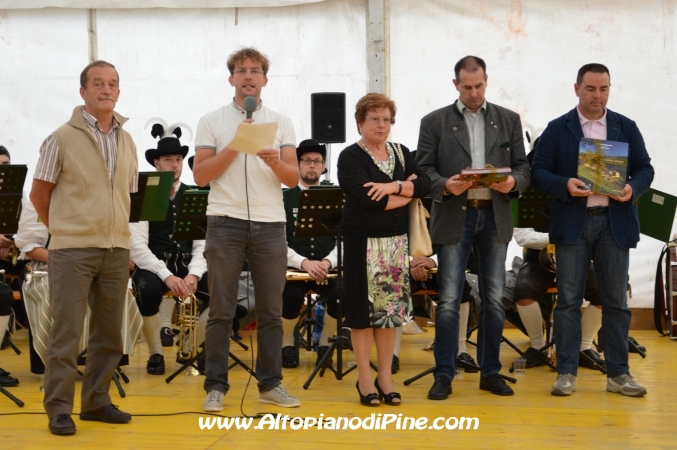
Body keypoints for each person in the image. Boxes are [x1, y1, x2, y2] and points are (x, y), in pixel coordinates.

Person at [531, 63, 654, 397]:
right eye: (590, 89)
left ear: (609, 89)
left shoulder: (625, 126)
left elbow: (645, 168)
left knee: (616, 302)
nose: (597, 96)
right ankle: (566, 373)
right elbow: (538, 171)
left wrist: (632, 188)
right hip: (573, 223)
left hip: (615, 223)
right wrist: (565, 184)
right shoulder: (558, 129)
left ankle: (618, 375)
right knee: (569, 301)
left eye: (603, 89)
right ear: (576, 89)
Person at [30, 60, 138, 435]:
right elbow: (39, 193)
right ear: (83, 92)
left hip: (115, 248)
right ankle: (58, 408)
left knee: (110, 334)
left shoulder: (127, 140)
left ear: (119, 92)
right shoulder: (59, 138)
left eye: (112, 83)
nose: (106, 89)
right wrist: (63, 231)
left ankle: (96, 401)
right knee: (67, 333)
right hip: (72, 250)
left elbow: (129, 196)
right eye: (97, 83)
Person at [193, 47, 301, 411]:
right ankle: (216, 387)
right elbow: (201, 175)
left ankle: (270, 384)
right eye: (241, 70)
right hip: (225, 221)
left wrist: (273, 160)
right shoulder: (211, 120)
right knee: (222, 309)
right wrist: (236, 145)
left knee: (271, 310)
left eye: (255, 70)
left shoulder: (281, 122)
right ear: (231, 79)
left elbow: (292, 179)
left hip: (271, 224)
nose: (248, 76)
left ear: (265, 80)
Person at [417, 55, 530, 399]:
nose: (474, 93)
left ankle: (490, 372)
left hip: (494, 216)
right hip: (454, 216)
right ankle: (444, 373)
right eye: (467, 87)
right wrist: (443, 186)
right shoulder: (434, 121)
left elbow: (524, 167)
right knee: (449, 299)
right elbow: (423, 170)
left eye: (479, 85)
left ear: (486, 80)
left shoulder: (508, 119)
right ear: (456, 85)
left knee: (495, 299)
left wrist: (513, 184)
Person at [337, 92, 431, 406]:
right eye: (374, 119)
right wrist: (408, 190)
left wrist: (393, 187)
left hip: (395, 245)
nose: (381, 125)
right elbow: (366, 200)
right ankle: (365, 379)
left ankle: (385, 377)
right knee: (363, 316)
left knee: (390, 314)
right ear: (360, 122)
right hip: (361, 245)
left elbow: (427, 185)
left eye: (386, 119)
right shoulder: (350, 157)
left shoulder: (402, 153)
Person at [130, 123, 209, 375]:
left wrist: (194, 274)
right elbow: (138, 246)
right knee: (146, 289)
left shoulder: (194, 193)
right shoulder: (145, 192)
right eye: (168, 159)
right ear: (157, 163)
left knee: (221, 289)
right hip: (154, 264)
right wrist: (168, 276)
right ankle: (156, 353)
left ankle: (192, 346)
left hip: (188, 263)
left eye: (178, 159)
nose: (174, 164)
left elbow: (202, 242)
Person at [281, 139, 338, 369]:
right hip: (294, 268)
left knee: (339, 295)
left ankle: (325, 345)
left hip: (327, 268)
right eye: (306, 161)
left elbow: (342, 240)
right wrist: (303, 262)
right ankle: (286, 346)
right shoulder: (283, 198)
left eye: (317, 161)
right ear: (297, 164)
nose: (312, 165)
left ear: (324, 166)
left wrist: (327, 262)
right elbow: (277, 241)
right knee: (289, 297)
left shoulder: (336, 196)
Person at [512, 227, 605, 369]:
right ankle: (537, 348)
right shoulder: (530, 204)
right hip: (537, 259)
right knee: (524, 291)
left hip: (577, 256)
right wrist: (562, 235)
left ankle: (583, 347)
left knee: (605, 294)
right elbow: (523, 238)